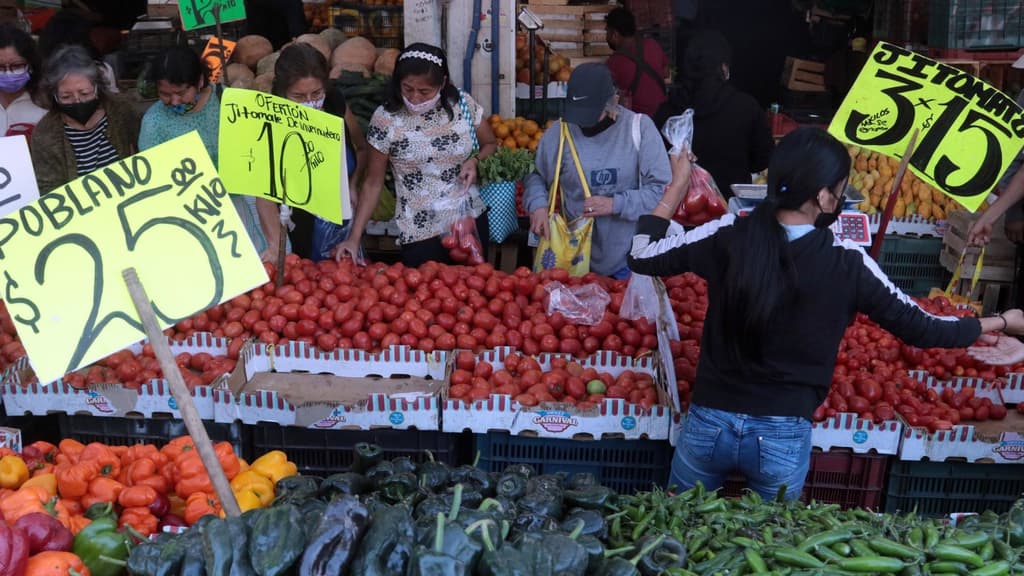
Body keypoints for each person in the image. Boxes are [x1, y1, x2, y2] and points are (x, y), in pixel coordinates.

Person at [627, 127, 1024, 500]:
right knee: (767, 549)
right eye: (838, 190)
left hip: (707, 425)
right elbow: (926, 330)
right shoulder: (847, 263)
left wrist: (676, 187)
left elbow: (641, 256)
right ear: (822, 197)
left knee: (677, 535)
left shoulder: (728, 234)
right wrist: (1003, 321)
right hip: (782, 435)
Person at [333, 43, 497, 267]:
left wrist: (474, 161)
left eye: (424, 92)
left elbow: (490, 143)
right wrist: (353, 238)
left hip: (468, 222)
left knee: (474, 293)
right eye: (407, 88)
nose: (415, 98)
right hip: (420, 232)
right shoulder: (386, 119)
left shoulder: (463, 105)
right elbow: (373, 183)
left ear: (443, 83)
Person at [524, 63, 670, 279]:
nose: (583, 122)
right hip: (572, 261)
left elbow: (662, 191)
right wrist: (537, 205)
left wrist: (615, 204)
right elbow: (535, 174)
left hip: (629, 260)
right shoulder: (559, 132)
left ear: (613, 101)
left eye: (591, 113)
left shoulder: (640, 129)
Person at [261, 42, 367, 261]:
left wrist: (352, 184)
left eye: (316, 93)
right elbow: (261, 191)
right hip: (295, 225)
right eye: (298, 96)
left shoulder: (335, 103)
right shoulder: (270, 119)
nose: (310, 102)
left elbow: (362, 148)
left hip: (341, 226)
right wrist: (276, 244)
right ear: (282, 93)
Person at [654, 30, 772, 195]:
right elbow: (762, 161)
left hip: (680, 210)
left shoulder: (667, 112)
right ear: (723, 67)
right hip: (731, 209)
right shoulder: (746, 107)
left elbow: (655, 167)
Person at [30, 44, 138, 193]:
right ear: (53, 95)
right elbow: (49, 189)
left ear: (96, 87)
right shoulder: (44, 134)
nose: (77, 101)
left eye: (85, 93)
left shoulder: (123, 110)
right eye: (66, 96)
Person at [604, 7, 668, 119]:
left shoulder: (614, 63)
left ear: (614, 34)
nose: (606, 37)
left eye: (607, 32)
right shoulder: (653, 45)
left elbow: (606, 95)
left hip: (638, 122)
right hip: (663, 115)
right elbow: (666, 73)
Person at [0, 24, 45, 139]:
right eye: (0, 67)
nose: (8, 73)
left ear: (31, 65)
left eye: (17, 66)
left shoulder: (45, 105)